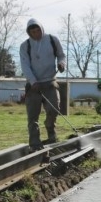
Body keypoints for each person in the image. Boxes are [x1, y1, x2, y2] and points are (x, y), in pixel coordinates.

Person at [19, 18, 66, 150]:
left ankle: (51, 133)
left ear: (41, 28)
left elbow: (61, 55)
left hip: (50, 81)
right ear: (29, 33)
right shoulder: (25, 46)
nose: (36, 33)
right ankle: (35, 143)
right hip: (33, 85)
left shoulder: (52, 40)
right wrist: (33, 81)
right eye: (32, 32)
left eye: (37, 30)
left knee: (54, 109)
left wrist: (62, 63)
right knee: (33, 116)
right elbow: (25, 66)